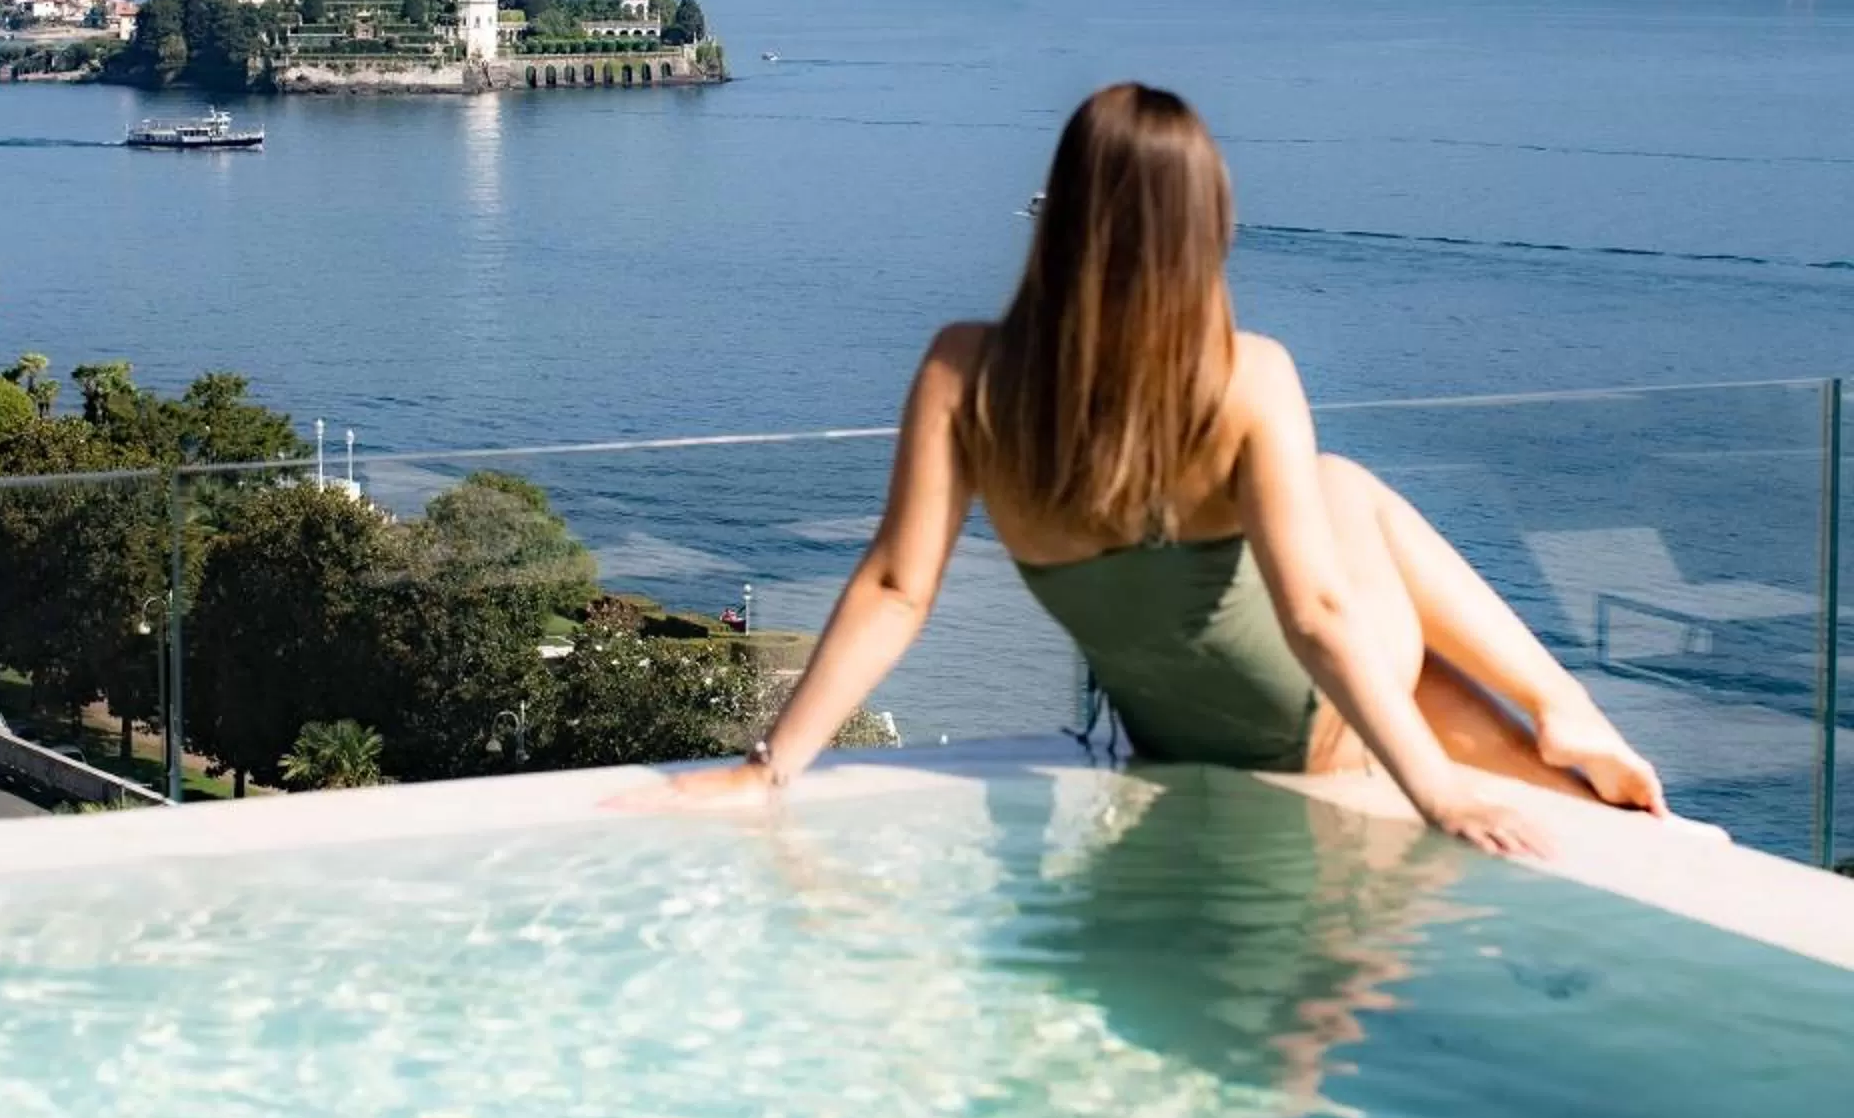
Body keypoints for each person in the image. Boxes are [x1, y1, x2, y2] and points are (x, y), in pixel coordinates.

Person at [679, 82, 1666, 860]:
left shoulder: (961, 371)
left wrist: (769, 770)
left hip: (1180, 737)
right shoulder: (1245, 376)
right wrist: (1433, 792)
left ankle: (1556, 732)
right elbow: (1317, 617)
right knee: (1341, 490)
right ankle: (1561, 709)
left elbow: (895, 587)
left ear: (1059, 215)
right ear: (1202, 226)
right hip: (1315, 732)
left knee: (1337, 494)